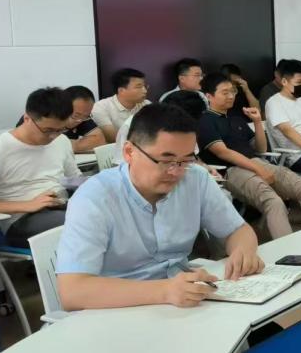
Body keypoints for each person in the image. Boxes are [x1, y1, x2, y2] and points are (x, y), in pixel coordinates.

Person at [55, 104, 265, 311]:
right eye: (166, 161)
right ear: (129, 152)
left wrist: (243, 253)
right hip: (117, 309)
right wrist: (164, 290)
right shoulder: (95, 197)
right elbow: (73, 291)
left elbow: (238, 230)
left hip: (180, 303)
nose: (176, 172)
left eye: (186, 161)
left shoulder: (195, 178)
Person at [199, 72, 301, 239]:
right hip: (232, 171)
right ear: (209, 96)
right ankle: (290, 249)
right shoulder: (204, 121)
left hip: (258, 163)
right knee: (274, 202)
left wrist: (257, 121)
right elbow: (223, 152)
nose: (231, 96)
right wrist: (258, 169)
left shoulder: (236, 119)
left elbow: (260, 148)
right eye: (224, 92)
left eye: (233, 91)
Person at [0, 88, 80, 249]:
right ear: (27, 118)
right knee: (83, 223)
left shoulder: (61, 141)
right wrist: (28, 204)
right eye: (48, 130)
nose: (53, 136)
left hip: (60, 206)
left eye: (60, 129)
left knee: (113, 212)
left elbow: (73, 178)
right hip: (21, 219)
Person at [14, 85, 105, 154]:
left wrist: (66, 145)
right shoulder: (37, 117)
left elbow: (99, 139)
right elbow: (31, 145)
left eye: (85, 116)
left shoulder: (82, 117)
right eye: (75, 115)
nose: (79, 121)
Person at [91, 68, 150, 143]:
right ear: (121, 90)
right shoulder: (101, 107)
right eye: (139, 87)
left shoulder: (147, 105)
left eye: (145, 86)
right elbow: (112, 138)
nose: (145, 91)